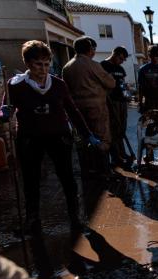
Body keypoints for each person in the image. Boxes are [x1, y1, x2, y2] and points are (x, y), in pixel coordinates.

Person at [0, 40, 100, 279]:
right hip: (30, 139)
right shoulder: (16, 85)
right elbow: (6, 108)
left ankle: (75, 217)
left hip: (58, 137)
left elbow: (72, 111)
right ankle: (32, 220)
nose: (42, 69)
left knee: (67, 178)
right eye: (37, 65)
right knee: (31, 181)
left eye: (46, 64)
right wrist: (3, 113)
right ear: (27, 64)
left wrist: (87, 134)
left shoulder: (58, 85)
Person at [62, 36, 116, 178]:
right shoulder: (93, 65)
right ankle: (104, 170)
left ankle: (88, 169)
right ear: (90, 49)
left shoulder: (67, 67)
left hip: (77, 110)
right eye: (93, 49)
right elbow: (111, 83)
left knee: (83, 138)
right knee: (102, 137)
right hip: (96, 108)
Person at [101, 46, 130, 168]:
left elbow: (122, 83)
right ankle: (116, 157)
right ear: (115, 54)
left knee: (121, 129)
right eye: (121, 58)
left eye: (124, 59)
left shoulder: (120, 68)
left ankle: (122, 153)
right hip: (111, 102)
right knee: (114, 128)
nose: (122, 61)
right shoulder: (103, 65)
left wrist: (127, 92)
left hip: (122, 101)